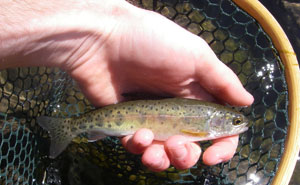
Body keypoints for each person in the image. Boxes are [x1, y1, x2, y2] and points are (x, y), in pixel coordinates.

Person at [0, 0, 253, 172]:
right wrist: (107, 32)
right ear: (217, 120)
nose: (238, 125)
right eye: (233, 121)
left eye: (234, 122)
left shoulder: (205, 117)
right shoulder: (202, 125)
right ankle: (70, 127)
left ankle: (71, 127)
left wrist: (103, 32)